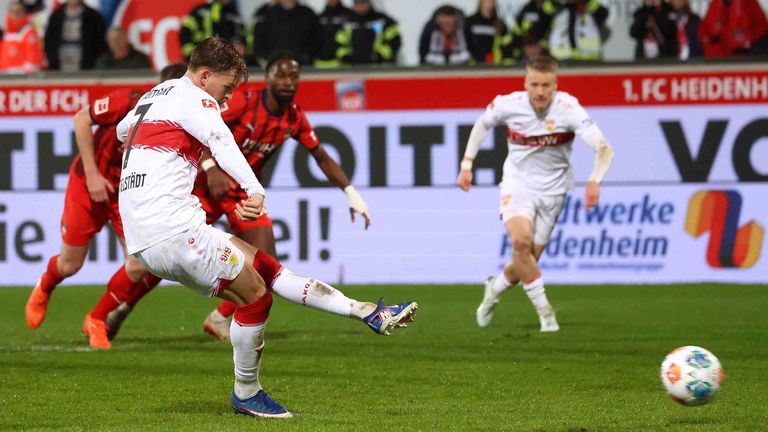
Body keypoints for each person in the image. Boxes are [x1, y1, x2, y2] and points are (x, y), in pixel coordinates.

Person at [116, 36, 416, 418]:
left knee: (267, 269)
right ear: (205, 76)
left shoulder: (155, 95)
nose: (225, 101)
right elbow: (220, 138)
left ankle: (365, 311)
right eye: (225, 89)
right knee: (256, 297)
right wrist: (254, 189)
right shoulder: (196, 97)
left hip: (149, 236)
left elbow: (122, 133)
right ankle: (247, 391)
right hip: (175, 232)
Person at [106, 52, 389, 345]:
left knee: (266, 267)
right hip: (209, 187)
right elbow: (212, 135)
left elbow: (320, 156)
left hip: (237, 194)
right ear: (267, 78)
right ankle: (117, 309)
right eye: (281, 74)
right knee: (198, 264)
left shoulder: (293, 116)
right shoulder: (233, 102)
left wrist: (350, 191)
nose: (288, 82)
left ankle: (223, 319)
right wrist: (211, 167)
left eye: (294, 76)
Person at [24, 63, 188, 349]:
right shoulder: (128, 101)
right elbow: (80, 119)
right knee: (70, 264)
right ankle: (47, 284)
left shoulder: (185, 123)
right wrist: (92, 174)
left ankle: (96, 319)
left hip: (128, 192)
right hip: (89, 184)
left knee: (140, 265)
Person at [456, 56, 614, 332]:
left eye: (546, 85)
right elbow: (482, 124)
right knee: (520, 243)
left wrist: (594, 181)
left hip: (555, 192)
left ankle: (493, 289)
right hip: (518, 184)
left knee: (525, 263)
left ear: (555, 84)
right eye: (535, 84)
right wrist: (467, 164)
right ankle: (547, 314)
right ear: (525, 83)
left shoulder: (569, 109)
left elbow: (603, 148)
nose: (540, 91)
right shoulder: (509, 104)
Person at [249, 0, 320, 66]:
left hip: (303, 66)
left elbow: (316, 38)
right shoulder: (266, 13)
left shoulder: (308, 13)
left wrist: (306, 56)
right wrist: (268, 57)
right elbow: (258, 38)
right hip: (272, 66)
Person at [43, 0, 106, 71]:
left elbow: (100, 45)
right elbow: (49, 43)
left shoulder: (94, 17)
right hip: (58, 71)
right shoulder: (56, 16)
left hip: (86, 71)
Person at [335, 0, 400, 65]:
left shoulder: (383, 21)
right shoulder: (347, 23)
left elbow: (394, 41)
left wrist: (379, 56)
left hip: (379, 67)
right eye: (357, 3)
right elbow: (338, 44)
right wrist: (346, 57)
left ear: (369, 3)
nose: (361, 6)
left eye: (364, 2)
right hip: (352, 68)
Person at [698, 0, 768, 57]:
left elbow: (762, 26)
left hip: (741, 57)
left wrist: (748, 38)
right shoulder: (716, 4)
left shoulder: (748, 2)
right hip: (717, 60)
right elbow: (704, 30)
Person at [180, 0, 246, 59]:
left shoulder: (235, 15)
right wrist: (192, 55)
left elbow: (242, 38)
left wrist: (240, 46)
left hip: (223, 62)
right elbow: (185, 33)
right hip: (199, 59)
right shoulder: (199, 10)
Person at [0, 0, 44, 74]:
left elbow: (33, 60)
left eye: (18, 11)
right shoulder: (7, 34)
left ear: (24, 13)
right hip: (4, 77)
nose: (15, 14)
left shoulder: (29, 32)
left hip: (20, 78)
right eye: (12, 11)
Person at [465, 0, 514, 65]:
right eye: (486, 1)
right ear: (481, 2)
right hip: (474, 64)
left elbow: (505, 46)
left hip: (495, 64)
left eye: (491, 1)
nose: (489, 3)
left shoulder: (500, 24)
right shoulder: (470, 21)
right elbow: (466, 43)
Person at [314, 0, 353, 68]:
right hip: (322, 60)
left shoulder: (349, 15)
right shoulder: (320, 16)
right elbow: (315, 38)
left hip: (345, 61)